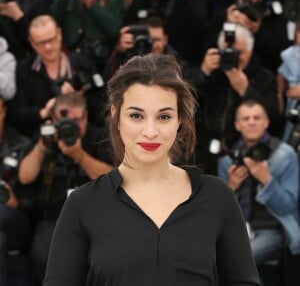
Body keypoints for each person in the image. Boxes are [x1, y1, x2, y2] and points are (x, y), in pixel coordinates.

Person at [44, 54, 260, 286]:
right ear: (116, 117)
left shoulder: (217, 197)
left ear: (179, 121)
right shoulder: (83, 204)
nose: (150, 131)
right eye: (136, 115)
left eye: (164, 116)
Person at [18, 92, 113, 285]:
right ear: (54, 120)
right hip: (53, 219)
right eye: (65, 121)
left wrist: (79, 156)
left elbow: (112, 178)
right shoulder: (46, 140)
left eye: (77, 120)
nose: (72, 126)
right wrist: (42, 146)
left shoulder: (100, 138)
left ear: (86, 116)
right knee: (42, 252)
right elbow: (25, 177)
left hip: (96, 219)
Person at [218, 99, 300, 268]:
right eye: (246, 119)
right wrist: (231, 186)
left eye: (257, 118)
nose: (252, 122)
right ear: (237, 125)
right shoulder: (228, 160)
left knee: (237, 263)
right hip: (237, 230)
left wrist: (266, 180)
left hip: (273, 229)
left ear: (266, 122)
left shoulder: (284, 155)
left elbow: (288, 207)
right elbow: (217, 213)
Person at [192, 23, 280, 175]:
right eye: (228, 51)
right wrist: (203, 73)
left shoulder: (264, 78)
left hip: (243, 154)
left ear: (250, 52)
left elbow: (272, 117)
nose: (234, 57)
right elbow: (187, 102)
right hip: (204, 151)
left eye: (239, 52)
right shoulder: (212, 72)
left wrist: (245, 90)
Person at [8, 14, 106, 137]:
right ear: (32, 43)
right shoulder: (24, 69)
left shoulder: (82, 64)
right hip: (42, 137)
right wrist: (43, 113)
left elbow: (102, 106)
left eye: (51, 40)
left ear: (59, 34)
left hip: (83, 136)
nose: (48, 47)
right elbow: (15, 114)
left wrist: (77, 99)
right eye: (41, 43)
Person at [205, 0, 291, 73]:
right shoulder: (223, 13)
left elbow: (283, 55)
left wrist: (258, 31)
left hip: (260, 79)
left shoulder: (274, 16)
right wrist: (227, 24)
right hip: (223, 74)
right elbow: (206, 48)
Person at [0, 95, 33, 286]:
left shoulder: (22, 145)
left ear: (4, 112)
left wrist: (16, 203)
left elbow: (35, 201)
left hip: (16, 217)